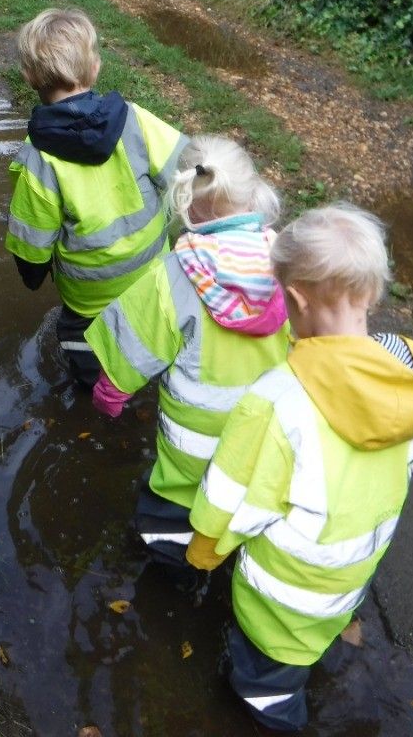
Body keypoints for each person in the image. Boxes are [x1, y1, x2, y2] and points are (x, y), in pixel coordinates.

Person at [187, 203, 413, 732]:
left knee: (264, 682)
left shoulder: (275, 400)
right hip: (350, 575)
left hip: (280, 598)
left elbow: (234, 499)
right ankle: (329, 648)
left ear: (296, 298)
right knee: (319, 634)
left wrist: (203, 551)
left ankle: (274, 714)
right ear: (373, 294)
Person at [86, 135, 289, 577]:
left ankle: (170, 570)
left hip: (193, 444)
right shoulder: (288, 262)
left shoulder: (177, 273)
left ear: (186, 206)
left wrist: (109, 395)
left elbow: (133, 344)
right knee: (241, 498)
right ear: (253, 193)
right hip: (264, 433)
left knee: (175, 502)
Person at [5, 8, 187, 387]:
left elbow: (31, 247)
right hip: (154, 283)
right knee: (157, 346)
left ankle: (94, 397)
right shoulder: (137, 121)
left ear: (29, 76)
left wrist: (34, 276)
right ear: (96, 68)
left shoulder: (39, 160)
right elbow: (190, 173)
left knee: (86, 357)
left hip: (88, 303)